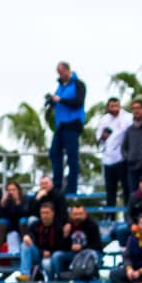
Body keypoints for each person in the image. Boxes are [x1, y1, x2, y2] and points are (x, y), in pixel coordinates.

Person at [46, 62, 88, 195]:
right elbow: (56, 102)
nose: (60, 75)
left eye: (61, 72)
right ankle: (57, 185)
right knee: (54, 153)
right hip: (61, 125)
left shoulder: (78, 84)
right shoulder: (60, 87)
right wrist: (51, 101)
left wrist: (60, 100)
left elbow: (78, 102)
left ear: (67, 70)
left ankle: (72, 187)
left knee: (72, 156)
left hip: (73, 123)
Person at [93, 99, 131, 207]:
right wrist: (103, 137)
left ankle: (127, 214)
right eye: (112, 106)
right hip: (108, 159)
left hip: (122, 158)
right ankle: (111, 217)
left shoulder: (127, 117)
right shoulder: (104, 119)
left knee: (126, 188)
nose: (114, 108)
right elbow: (98, 139)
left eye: (116, 105)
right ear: (108, 107)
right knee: (110, 190)